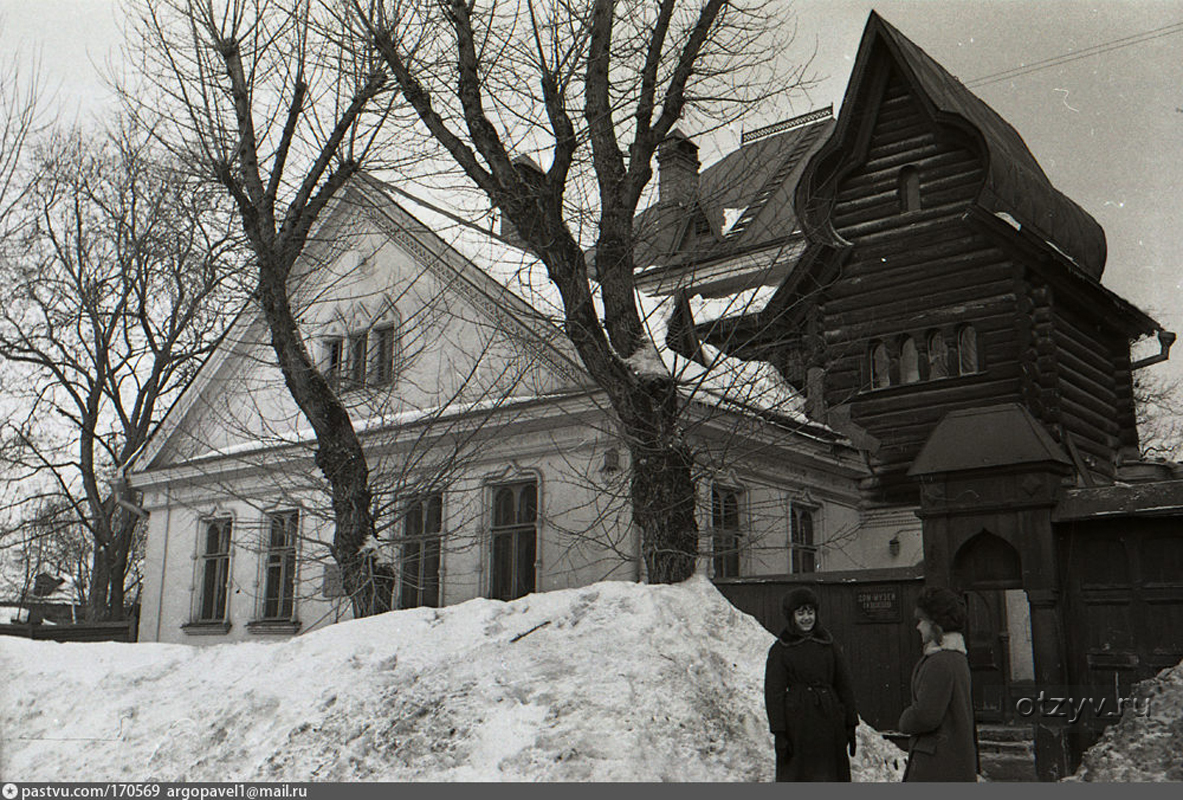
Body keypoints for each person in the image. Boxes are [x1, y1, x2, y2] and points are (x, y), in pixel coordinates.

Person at [764, 587, 859, 782]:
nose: (806, 618)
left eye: (810, 612)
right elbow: (774, 694)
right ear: (791, 616)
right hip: (798, 725)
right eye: (800, 613)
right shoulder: (780, 650)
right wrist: (779, 733)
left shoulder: (828, 644)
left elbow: (844, 685)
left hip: (829, 720)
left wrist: (850, 724)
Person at [899, 586, 978, 781]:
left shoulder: (940, 662)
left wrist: (905, 719)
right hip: (950, 759)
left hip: (937, 763)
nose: (918, 627)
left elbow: (926, 716)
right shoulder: (955, 658)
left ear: (936, 625)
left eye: (922, 621)